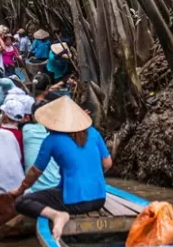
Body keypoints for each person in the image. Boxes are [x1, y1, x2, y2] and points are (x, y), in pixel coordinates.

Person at [9, 97, 111, 242]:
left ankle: (56, 215)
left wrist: (19, 191)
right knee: (58, 191)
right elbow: (107, 163)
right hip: (100, 199)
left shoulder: (52, 140)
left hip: (75, 202)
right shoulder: (93, 132)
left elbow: (35, 172)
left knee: (22, 202)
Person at [22, 99, 62, 193]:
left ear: (33, 116)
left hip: (33, 190)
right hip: (55, 185)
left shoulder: (27, 129)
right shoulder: (59, 133)